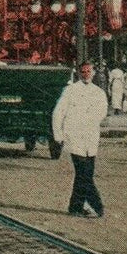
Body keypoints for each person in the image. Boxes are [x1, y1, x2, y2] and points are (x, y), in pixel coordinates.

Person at [51, 62, 108, 219]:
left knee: (85, 173)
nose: (86, 74)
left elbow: (102, 111)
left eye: (89, 71)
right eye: (83, 72)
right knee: (84, 173)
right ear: (78, 73)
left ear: (94, 72)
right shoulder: (70, 90)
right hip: (75, 137)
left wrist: (91, 118)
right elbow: (58, 112)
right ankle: (98, 206)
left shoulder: (98, 92)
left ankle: (75, 207)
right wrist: (58, 135)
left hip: (90, 137)